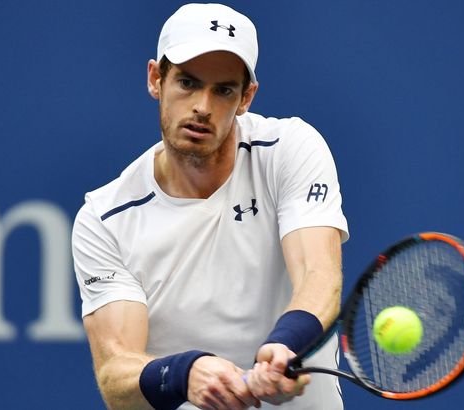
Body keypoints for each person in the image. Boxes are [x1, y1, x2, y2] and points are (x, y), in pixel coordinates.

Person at [72, 3, 349, 409]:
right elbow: (116, 376)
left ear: (246, 98)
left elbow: (319, 274)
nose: (202, 105)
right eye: (187, 82)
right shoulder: (105, 219)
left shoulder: (290, 149)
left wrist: (286, 342)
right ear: (155, 79)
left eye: (223, 90)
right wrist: (184, 373)